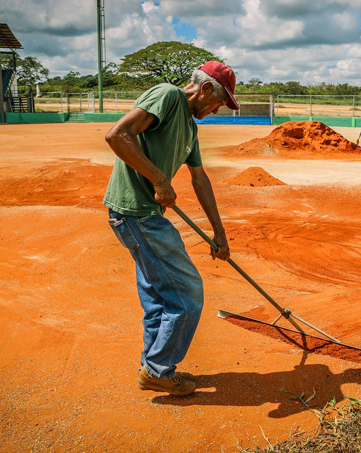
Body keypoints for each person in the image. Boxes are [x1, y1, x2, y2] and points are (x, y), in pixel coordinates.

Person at [103, 61, 239, 395]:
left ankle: (153, 365)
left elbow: (199, 178)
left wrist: (218, 231)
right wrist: (160, 179)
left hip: (143, 216)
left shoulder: (190, 130)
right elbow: (118, 135)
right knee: (187, 293)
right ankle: (159, 370)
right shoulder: (167, 96)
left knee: (158, 296)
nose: (218, 110)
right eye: (220, 102)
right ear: (206, 89)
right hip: (137, 214)